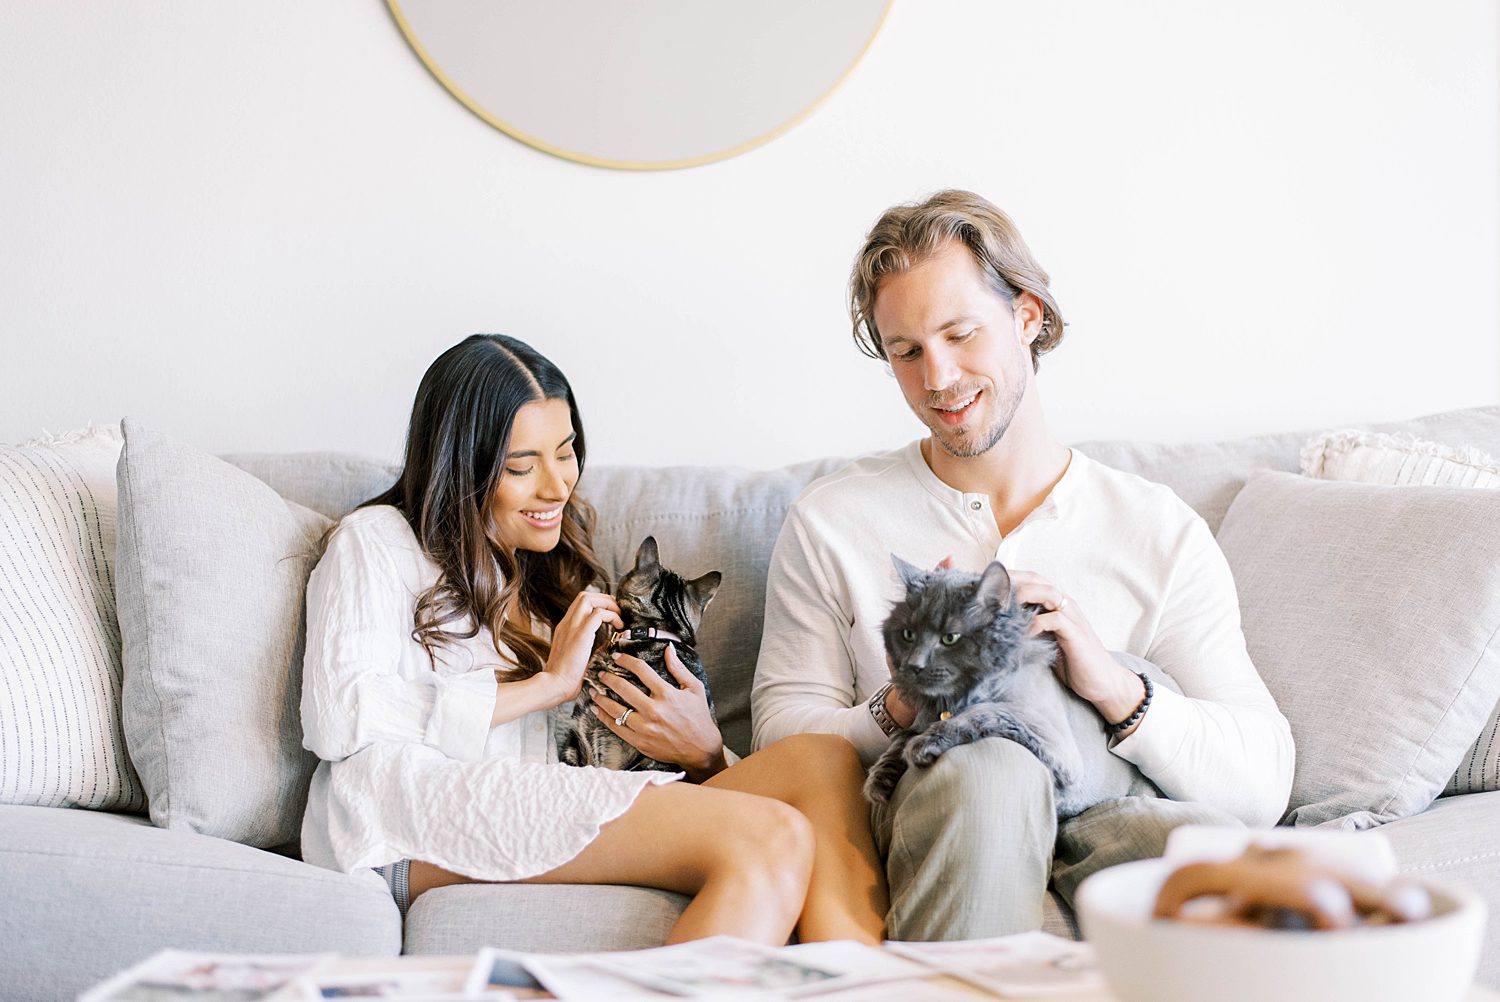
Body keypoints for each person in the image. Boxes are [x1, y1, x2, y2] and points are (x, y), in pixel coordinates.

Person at [750, 190, 1295, 940]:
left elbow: (1263, 777)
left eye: (960, 333)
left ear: (1028, 316)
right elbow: (779, 744)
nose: (937, 378)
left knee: (1227, 867)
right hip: (940, 791)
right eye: (906, 352)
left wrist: (1112, 687)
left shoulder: (1155, 528)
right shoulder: (834, 519)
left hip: (1109, 802)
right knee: (993, 770)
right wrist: (904, 704)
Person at [299, 334, 886, 946]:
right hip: (406, 813)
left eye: (566, 451)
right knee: (772, 835)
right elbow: (338, 716)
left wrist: (703, 755)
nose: (557, 487)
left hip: (545, 796)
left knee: (825, 760)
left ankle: (867, 991)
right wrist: (545, 685)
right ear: (460, 466)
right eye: (522, 467)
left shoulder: (550, 578)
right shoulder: (375, 542)